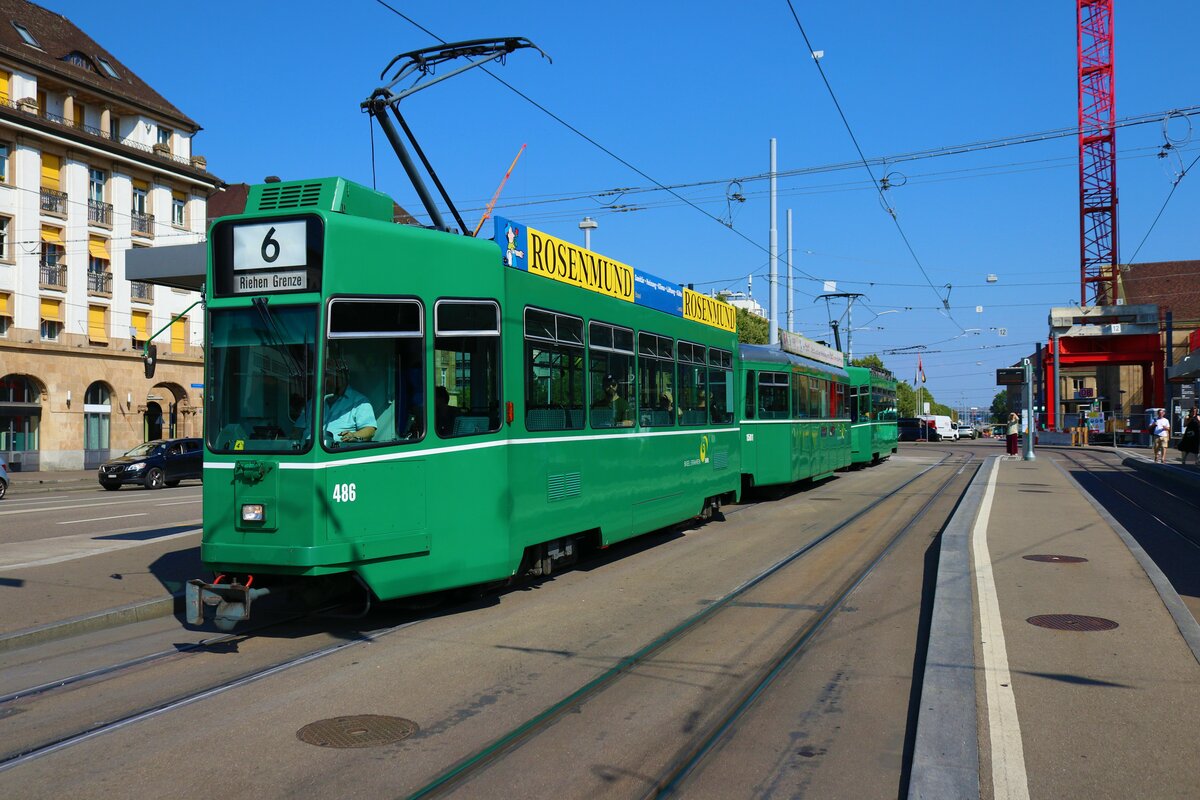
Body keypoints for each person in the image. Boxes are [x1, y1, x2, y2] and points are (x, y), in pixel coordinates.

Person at [322, 362, 377, 445]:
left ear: (341, 378)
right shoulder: (312, 403)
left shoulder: (360, 401)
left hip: (337, 452)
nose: (324, 380)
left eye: (328, 376)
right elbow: (298, 430)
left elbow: (369, 430)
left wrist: (353, 435)